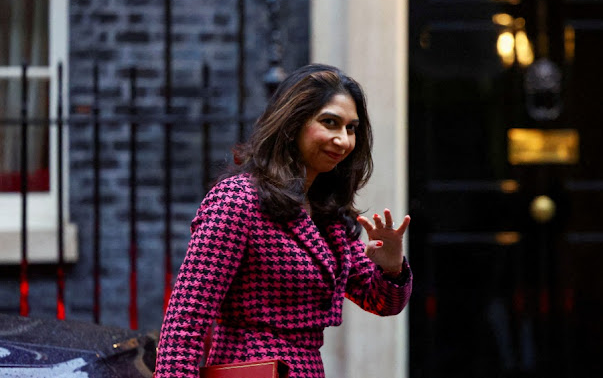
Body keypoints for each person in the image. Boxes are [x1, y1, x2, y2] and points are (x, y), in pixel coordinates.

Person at [154, 64, 412, 378]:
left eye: (351, 128)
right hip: (248, 368)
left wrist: (391, 267)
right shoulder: (239, 199)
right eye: (329, 123)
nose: (343, 140)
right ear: (293, 124)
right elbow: (185, 324)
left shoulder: (326, 215)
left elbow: (382, 302)